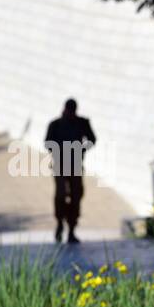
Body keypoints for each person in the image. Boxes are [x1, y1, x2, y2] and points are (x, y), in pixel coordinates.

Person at [45, 99, 96, 244]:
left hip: (75, 165)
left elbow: (92, 139)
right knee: (60, 195)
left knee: (76, 196)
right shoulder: (55, 124)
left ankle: (72, 229)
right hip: (60, 165)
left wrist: (81, 149)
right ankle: (60, 223)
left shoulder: (82, 123)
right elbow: (48, 142)